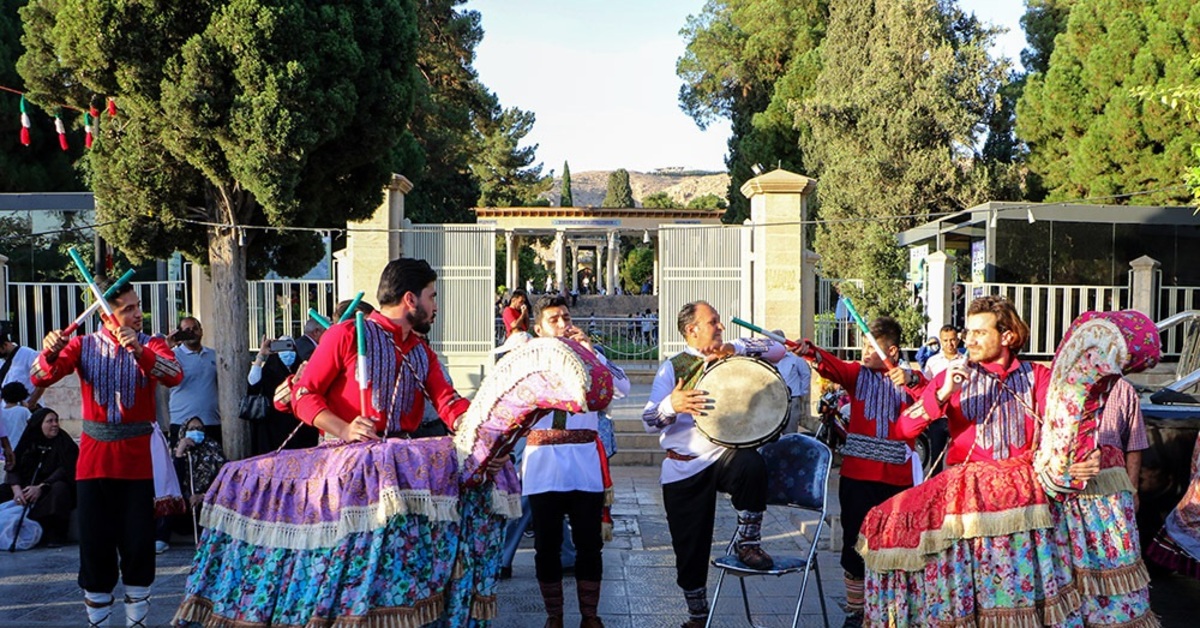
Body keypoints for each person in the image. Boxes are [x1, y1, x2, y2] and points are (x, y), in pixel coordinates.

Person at [31, 280, 183, 627]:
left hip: (139, 461)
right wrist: (51, 349)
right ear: (105, 314)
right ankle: (98, 622)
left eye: (138, 305)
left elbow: (174, 374)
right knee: (95, 545)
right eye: (128, 308)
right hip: (94, 461)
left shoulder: (153, 343)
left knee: (139, 543)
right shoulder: (83, 346)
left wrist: (141, 352)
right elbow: (39, 374)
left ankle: (137, 621)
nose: (137, 313)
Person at [642, 301, 786, 627]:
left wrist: (734, 346)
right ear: (692, 330)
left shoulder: (733, 352)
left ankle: (748, 543)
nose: (720, 327)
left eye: (719, 322)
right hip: (684, 464)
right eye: (713, 322)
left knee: (751, 465)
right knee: (689, 551)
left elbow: (779, 348)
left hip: (723, 456)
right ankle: (697, 617)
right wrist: (671, 404)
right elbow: (649, 421)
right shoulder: (673, 367)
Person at [792, 317, 925, 628]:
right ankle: (856, 612)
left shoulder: (911, 381)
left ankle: (891, 612)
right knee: (855, 543)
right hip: (857, 477)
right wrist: (810, 352)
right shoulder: (857, 374)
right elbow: (831, 366)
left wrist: (912, 380)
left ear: (891, 350)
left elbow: (934, 398)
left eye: (872, 347)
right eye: (863, 346)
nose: (865, 352)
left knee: (895, 545)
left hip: (898, 480)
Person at [523, 294, 629, 628]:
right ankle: (554, 616)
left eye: (566, 318)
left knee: (589, 545)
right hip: (544, 464)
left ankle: (590, 615)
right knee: (547, 546)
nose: (563, 324)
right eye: (553, 320)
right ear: (538, 329)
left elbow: (621, 388)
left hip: (584, 463)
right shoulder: (525, 359)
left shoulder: (589, 357)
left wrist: (591, 354)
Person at [293, 258, 470, 442]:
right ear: (410, 299)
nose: (435, 307)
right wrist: (344, 429)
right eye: (431, 297)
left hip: (400, 456)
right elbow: (303, 395)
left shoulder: (422, 351)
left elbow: (448, 401)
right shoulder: (347, 335)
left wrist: (474, 425)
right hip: (346, 456)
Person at [1, 407, 78, 547]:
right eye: (50, 421)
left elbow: (66, 469)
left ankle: (54, 535)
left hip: (49, 487)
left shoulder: (64, 442)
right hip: (25, 487)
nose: (55, 424)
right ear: (39, 424)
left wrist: (41, 487)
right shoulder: (28, 441)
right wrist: (17, 490)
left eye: (56, 421)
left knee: (60, 490)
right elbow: (13, 466)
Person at [249, 335, 318, 454]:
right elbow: (252, 381)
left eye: (290, 347)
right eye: (282, 348)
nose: (287, 353)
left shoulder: (301, 370)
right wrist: (262, 354)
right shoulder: (269, 371)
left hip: (298, 431)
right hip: (271, 429)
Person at [166, 417, 227, 540]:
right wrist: (180, 454)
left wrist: (203, 496)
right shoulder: (176, 450)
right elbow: (174, 480)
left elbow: (223, 480)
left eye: (199, 429)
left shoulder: (213, 448)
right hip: (185, 502)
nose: (196, 432)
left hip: (207, 500)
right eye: (192, 429)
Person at [166, 317, 221, 447]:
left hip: (211, 421)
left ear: (201, 331)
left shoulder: (215, 355)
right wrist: (167, 346)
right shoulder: (172, 356)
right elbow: (157, 368)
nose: (192, 333)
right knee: (182, 463)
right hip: (182, 421)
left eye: (195, 329)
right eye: (187, 330)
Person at [771, 329, 811, 433]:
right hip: (773, 400)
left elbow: (805, 374)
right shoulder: (768, 359)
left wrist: (801, 392)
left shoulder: (795, 358)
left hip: (792, 401)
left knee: (789, 432)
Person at [0, 320, 45, 408]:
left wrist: (32, 401)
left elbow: (42, 379)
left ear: (5, 345)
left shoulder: (28, 354)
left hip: (29, 408)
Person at [1, 381, 31, 465]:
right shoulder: (24, 411)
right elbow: (32, 424)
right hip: (20, 449)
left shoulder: (1, 412)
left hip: (4, 451)